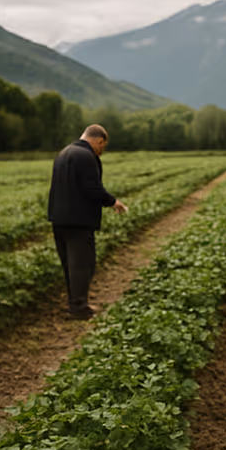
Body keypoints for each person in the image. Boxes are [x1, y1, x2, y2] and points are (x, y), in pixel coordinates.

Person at [47, 124, 129, 320]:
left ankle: (74, 303)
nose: (102, 151)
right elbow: (91, 188)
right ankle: (79, 308)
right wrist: (112, 201)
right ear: (99, 141)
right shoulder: (86, 156)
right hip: (78, 219)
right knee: (83, 265)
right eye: (103, 147)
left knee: (69, 264)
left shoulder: (64, 153)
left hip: (59, 218)